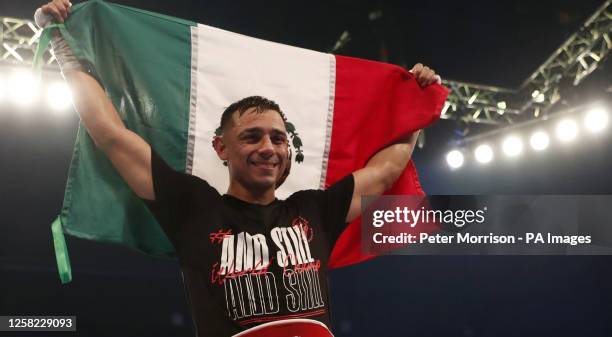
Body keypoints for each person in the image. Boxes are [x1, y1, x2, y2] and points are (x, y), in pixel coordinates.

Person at [38, 0, 440, 336]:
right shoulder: (194, 207)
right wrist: (61, 44)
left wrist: (417, 109)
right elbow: (111, 135)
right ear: (221, 147)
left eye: (278, 138)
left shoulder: (313, 209)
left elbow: (384, 172)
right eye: (252, 137)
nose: (269, 148)